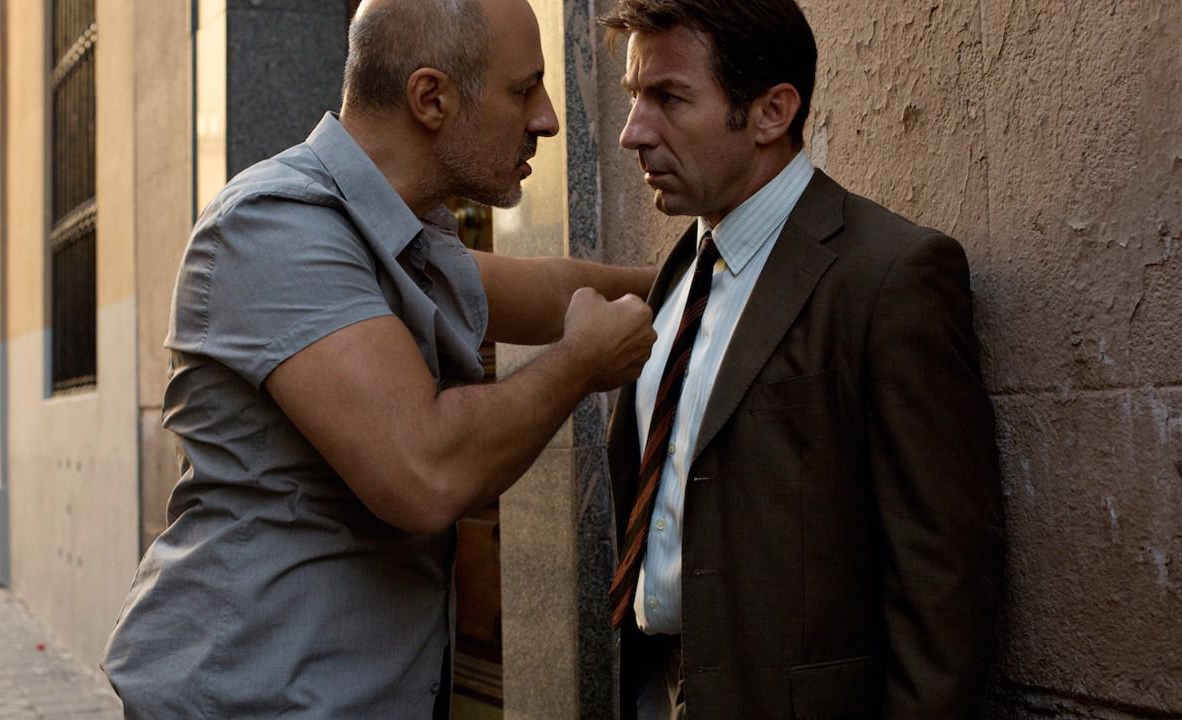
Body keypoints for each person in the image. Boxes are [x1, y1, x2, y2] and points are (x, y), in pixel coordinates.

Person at [101, 0, 658, 716]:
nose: (546, 118)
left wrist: (702, 268)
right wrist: (580, 363)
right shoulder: (276, 227)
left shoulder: (396, 234)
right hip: (254, 698)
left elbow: (552, 289)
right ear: (431, 98)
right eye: (524, 90)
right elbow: (425, 471)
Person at [597, 1, 1007, 717]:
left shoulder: (891, 277)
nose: (634, 131)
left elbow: (945, 577)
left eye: (668, 98)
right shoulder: (680, 276)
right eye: (634, 96)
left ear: (771, 112)